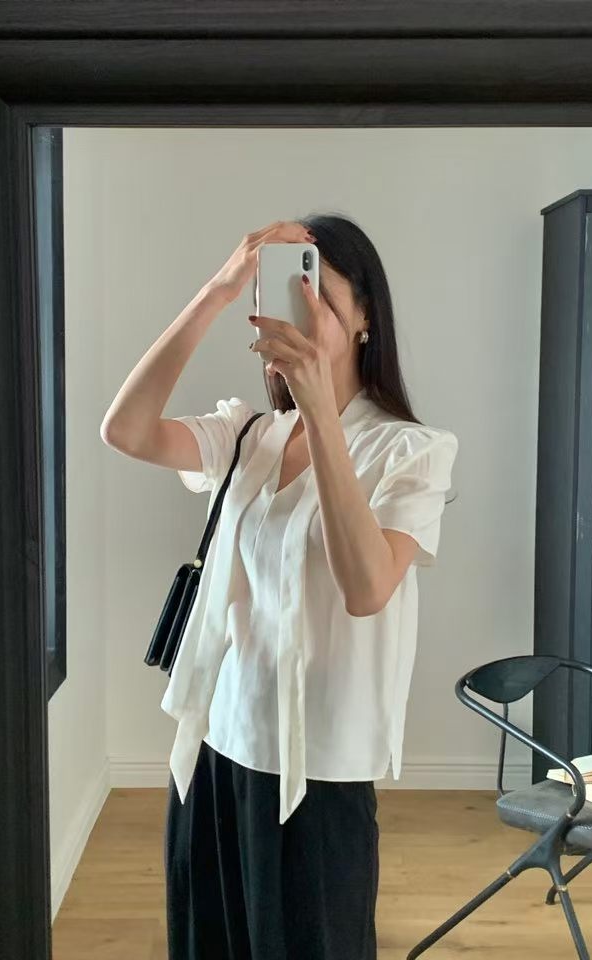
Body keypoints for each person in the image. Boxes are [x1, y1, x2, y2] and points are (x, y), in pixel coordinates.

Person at [100, 215, 459, 960]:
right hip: (212, 744)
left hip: (316, 771)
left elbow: (366, 588)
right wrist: (219, 290)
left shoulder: (411, 451)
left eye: (318, 292)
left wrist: (319, 408)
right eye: (283, 289)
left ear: (364, 316)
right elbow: (125, 430)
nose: (298, 307)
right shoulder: (248, 434)